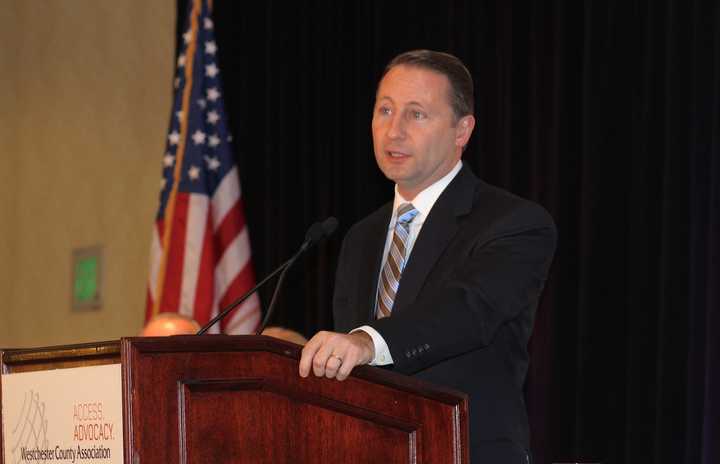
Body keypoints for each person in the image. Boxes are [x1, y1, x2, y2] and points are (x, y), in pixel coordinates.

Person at [299, 50, 556, 463]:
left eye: (416, 114)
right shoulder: (360, 237)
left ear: (462, 130)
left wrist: (369, 342)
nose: (393, 130)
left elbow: (467, 310)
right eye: (385, 109)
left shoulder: (515, 223)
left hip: (465, 450)